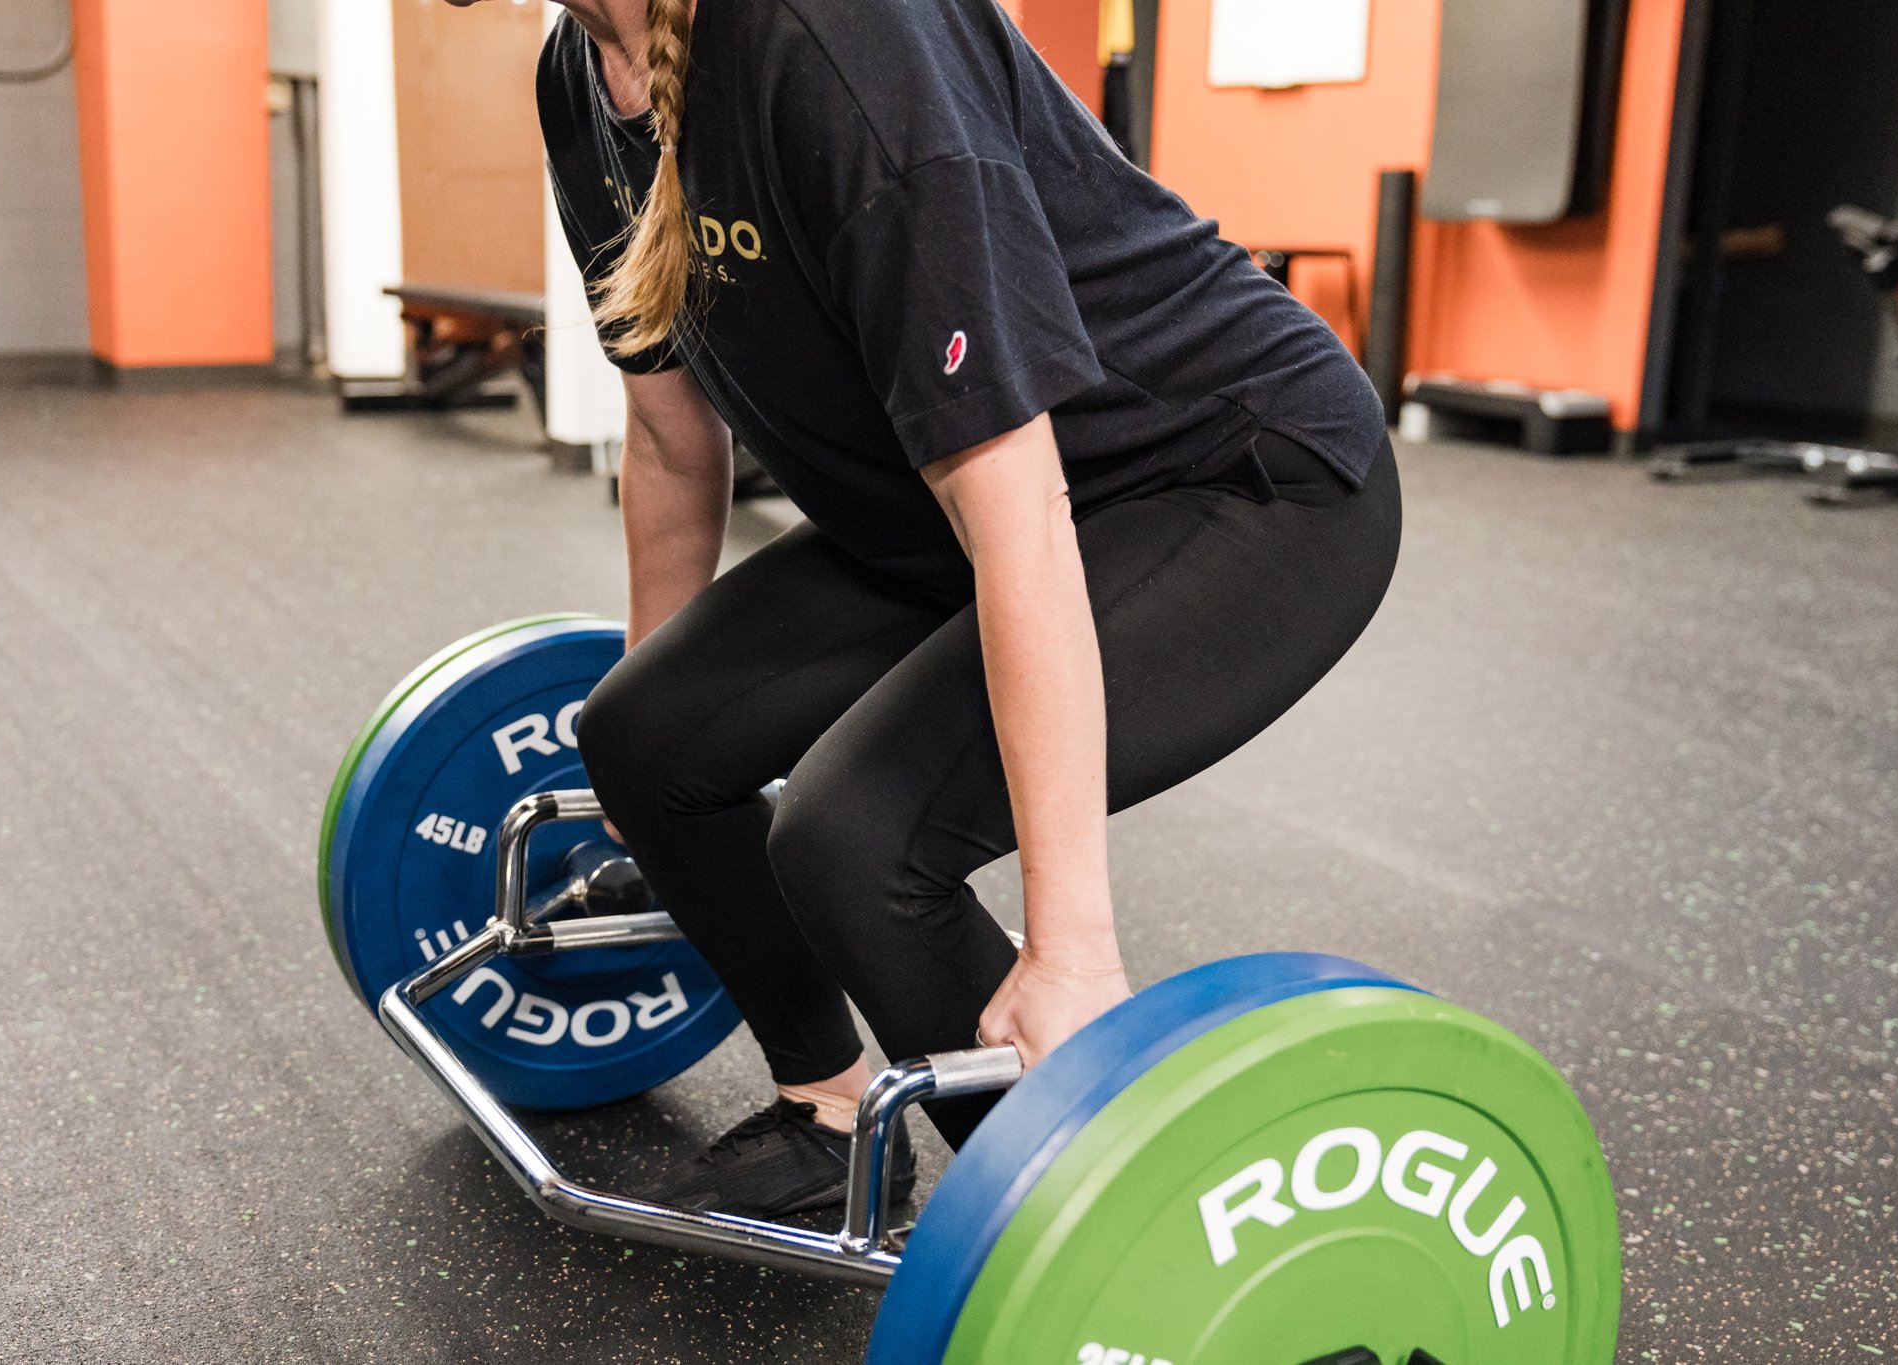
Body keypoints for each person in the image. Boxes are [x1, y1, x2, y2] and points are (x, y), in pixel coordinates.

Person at [468, 0, 1401, 1219]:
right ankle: (829, 1105)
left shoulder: (837, 32)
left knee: (854, 839)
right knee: (642, 742)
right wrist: (666, 769)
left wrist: (1072, 953)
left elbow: (1018, 500)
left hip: (1225, 481)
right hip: (930, 508)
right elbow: (667, 436)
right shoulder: (578, 75)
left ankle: (1127, 1234)